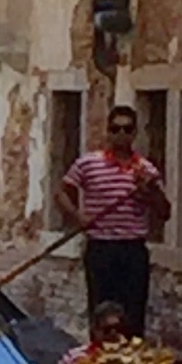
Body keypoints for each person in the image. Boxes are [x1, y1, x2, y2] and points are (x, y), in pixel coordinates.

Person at [62, 104, 170, 341]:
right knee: (101, 309)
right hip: (100, 247)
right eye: (116, 129)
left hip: (132, 249)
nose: (121, 134)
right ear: (108, 132)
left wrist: (149, 190)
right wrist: (78, 216)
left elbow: (164, 211)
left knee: (132, 312)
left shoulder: (146, 170)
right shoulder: (88, 164)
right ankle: (100, 361)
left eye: (127, 129)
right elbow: (61, 192)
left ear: (134, 134)